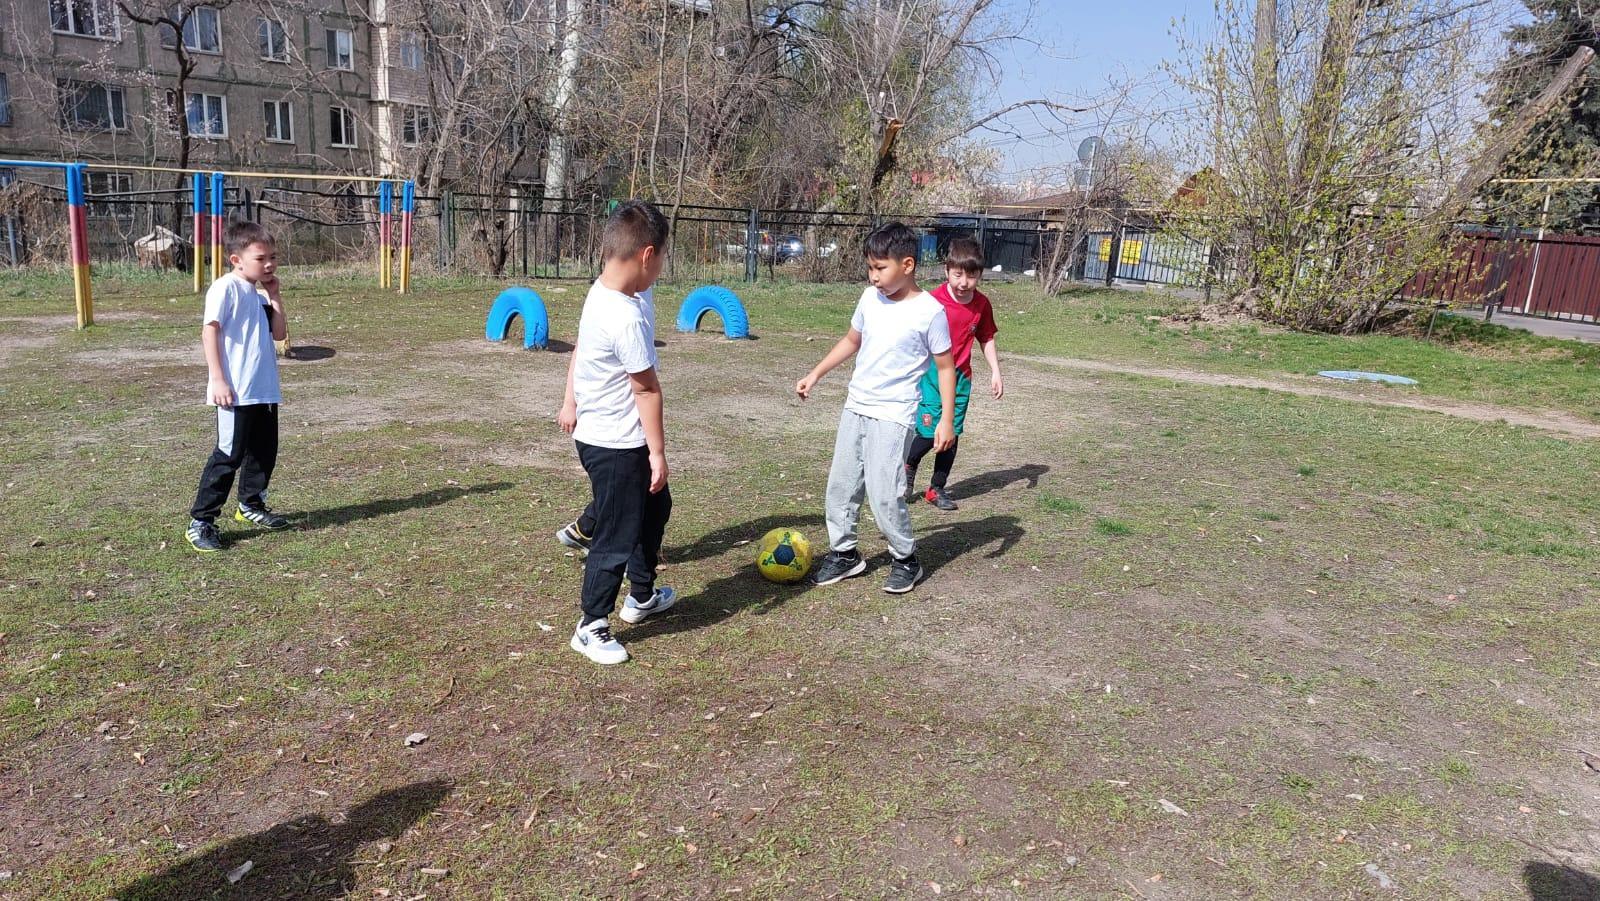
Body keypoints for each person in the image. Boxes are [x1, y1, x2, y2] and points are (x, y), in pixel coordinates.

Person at [795, 222, 955, 594]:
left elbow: (946, 367)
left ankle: (905, 559)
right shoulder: (869, 299)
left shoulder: (930, 312)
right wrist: (815, 373)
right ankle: (845, 553)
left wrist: (946, 419)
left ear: (908, 265)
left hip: (894, 414)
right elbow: (852, 340)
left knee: (885, 492)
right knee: (841, 486)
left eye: (880, 268)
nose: (873, 276)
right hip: (856, 405)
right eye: (870, 268)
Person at [558, 201, 675, 665]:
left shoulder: (601, 291)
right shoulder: (625, 316)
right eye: (662, 259)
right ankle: (590, 626)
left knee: (655, 508)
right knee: (617, 532)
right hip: (616, 443)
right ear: (647, 255)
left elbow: (583, 352)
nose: (661, 270)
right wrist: (657, 452)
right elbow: (646, 389)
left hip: (610, 436)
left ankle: (641, 595)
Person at [185, 221, 291, 553]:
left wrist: (275, 295)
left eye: (273, 257)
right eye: (261, 258)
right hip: (235, 391)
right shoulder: (225, 288)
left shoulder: (258, 294)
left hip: (264, 390)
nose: (269, 264)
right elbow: (210, 331)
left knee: (263, 452)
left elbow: (279, 334)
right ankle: (201, 522)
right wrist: (217, 379)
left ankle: (251, 505)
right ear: (236, 260)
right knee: (228, 455)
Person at [906, 237, 1003, 510]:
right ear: (946, 270)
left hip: (961, 378)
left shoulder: (981, 305)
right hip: (932, 375)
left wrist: (995, 371)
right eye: (958, 274)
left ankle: (936, 488)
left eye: (971, 276)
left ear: (980, 275)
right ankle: (908, 465)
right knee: (929, 431)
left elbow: (986, 337)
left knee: (951, 433)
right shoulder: (931, 301)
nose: (964, 283)